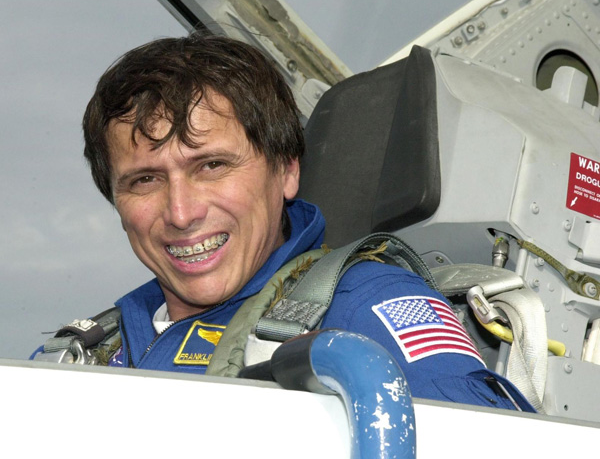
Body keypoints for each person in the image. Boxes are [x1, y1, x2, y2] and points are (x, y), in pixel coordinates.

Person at [36, 33, 533, 411]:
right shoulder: (86, 353)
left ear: (287, 169)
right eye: (145, 180)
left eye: (212, 166)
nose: (182, 213)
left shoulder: (366, 310)